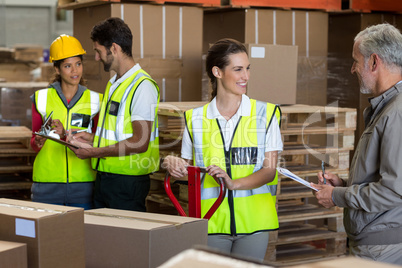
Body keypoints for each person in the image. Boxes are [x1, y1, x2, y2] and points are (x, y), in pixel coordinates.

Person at [163, 38, 283, 261]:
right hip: (210, 223)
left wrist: (233, 183)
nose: (245, 76)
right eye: (238, 69)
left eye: (247, 69)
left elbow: (269, 171)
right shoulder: (194, 119)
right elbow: (188, 170)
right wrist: (173, 163)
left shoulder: (266, 115)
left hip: (254, 225)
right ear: (217, 72)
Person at [311, 23, 402, 265]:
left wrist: (338, 195)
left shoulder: (396, 114)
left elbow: (394, 191)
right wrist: (344, 183)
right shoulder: (385, 108)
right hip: (375, 241)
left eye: (356, 61)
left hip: (382, 248)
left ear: (374, 62)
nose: (353, 69)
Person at [68, 17, 160, 212]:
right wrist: (93, 139)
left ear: (114, 48)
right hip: (105, 178)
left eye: (99, 51)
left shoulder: (142, 87)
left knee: (125, 242)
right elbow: (117, 133)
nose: (97, 57)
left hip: (127, 183)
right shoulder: (113, 85)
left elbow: (140, 142)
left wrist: (93, 152)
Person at [30, 34, 103, 210]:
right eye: (67, 66)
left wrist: (65, 135)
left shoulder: (96, 101)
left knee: (82, 235)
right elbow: (33, 142)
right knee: (47, 236)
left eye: (78, 64)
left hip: (83, 183)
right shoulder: (40, 98)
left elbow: (99, 141)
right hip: (46, 184)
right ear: (57, 69)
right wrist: (38, 141)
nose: (75, 71)